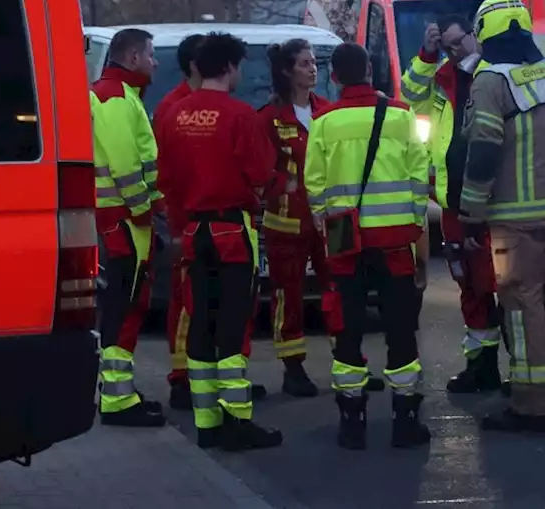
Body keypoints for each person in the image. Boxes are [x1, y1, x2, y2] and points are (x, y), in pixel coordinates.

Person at [458, 0, 545, 433]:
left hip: (513, 220)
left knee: (521, 309)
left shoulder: (490, 81)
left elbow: (483, 150)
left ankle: (530, 406)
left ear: (485, 34)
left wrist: (470, 212)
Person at [155, 32, 284, 451]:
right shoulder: (240, 114)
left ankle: (207, 423)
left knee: (200, 327)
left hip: (192, 232)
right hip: (232, 232)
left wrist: (179, 228)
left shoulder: (175, 114)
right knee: (231, 328)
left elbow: (167, 181)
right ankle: (238, 422)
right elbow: (262, 173)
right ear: (229, 67)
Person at [305, 43, 432, 450]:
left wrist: (328, 224)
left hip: (346, 237)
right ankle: (405, 419)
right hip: (395, 236)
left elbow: (315, 186)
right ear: (371, 73)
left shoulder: (324, 122)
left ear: (336, 78)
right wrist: (413, 224)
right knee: (400, 328)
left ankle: (352, 420)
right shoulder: (400, 115)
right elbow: (419, 177)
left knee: (348, 326)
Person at [399, 15, 505, 395]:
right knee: (470, 288)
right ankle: (481, 366)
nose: (455, 51)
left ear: (476, 38)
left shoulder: (496, 75)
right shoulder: (442, 79)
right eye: (448, 46)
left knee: (505, 288)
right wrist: (427, 55)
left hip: (495, 207)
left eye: (460, 42)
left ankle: (521, 372)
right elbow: (408, 92)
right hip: (453, 205)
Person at [91, 28, 166, 427]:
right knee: (125, 308)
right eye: (151, 55)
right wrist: (144, 210)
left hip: (118, 220)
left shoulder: (114, 94)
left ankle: (119, 394)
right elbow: (125, 165)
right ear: (133, 57)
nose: (155, 63)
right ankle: (118, 401)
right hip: (125, 222)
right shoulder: (117, 98)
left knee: (123, 307)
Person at [257, 39, 329, 397]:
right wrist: (279, 184)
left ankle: (350, 359)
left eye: (314, 62)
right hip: (286, 224)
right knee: (289, 295)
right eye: (304, 63)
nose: (312, 69)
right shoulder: (269, 118)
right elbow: (257, 169)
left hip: (329, 220)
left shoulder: (327, 112)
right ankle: (293, 367)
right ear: (287, 71)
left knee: (339, 290)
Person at [154, 32, 204, 410]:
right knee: (184, 302)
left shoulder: (208, 103)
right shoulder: (174, 107)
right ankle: (181, 377)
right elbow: (166, 171)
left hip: (211, 219)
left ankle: (207, 376)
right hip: (185, 219)